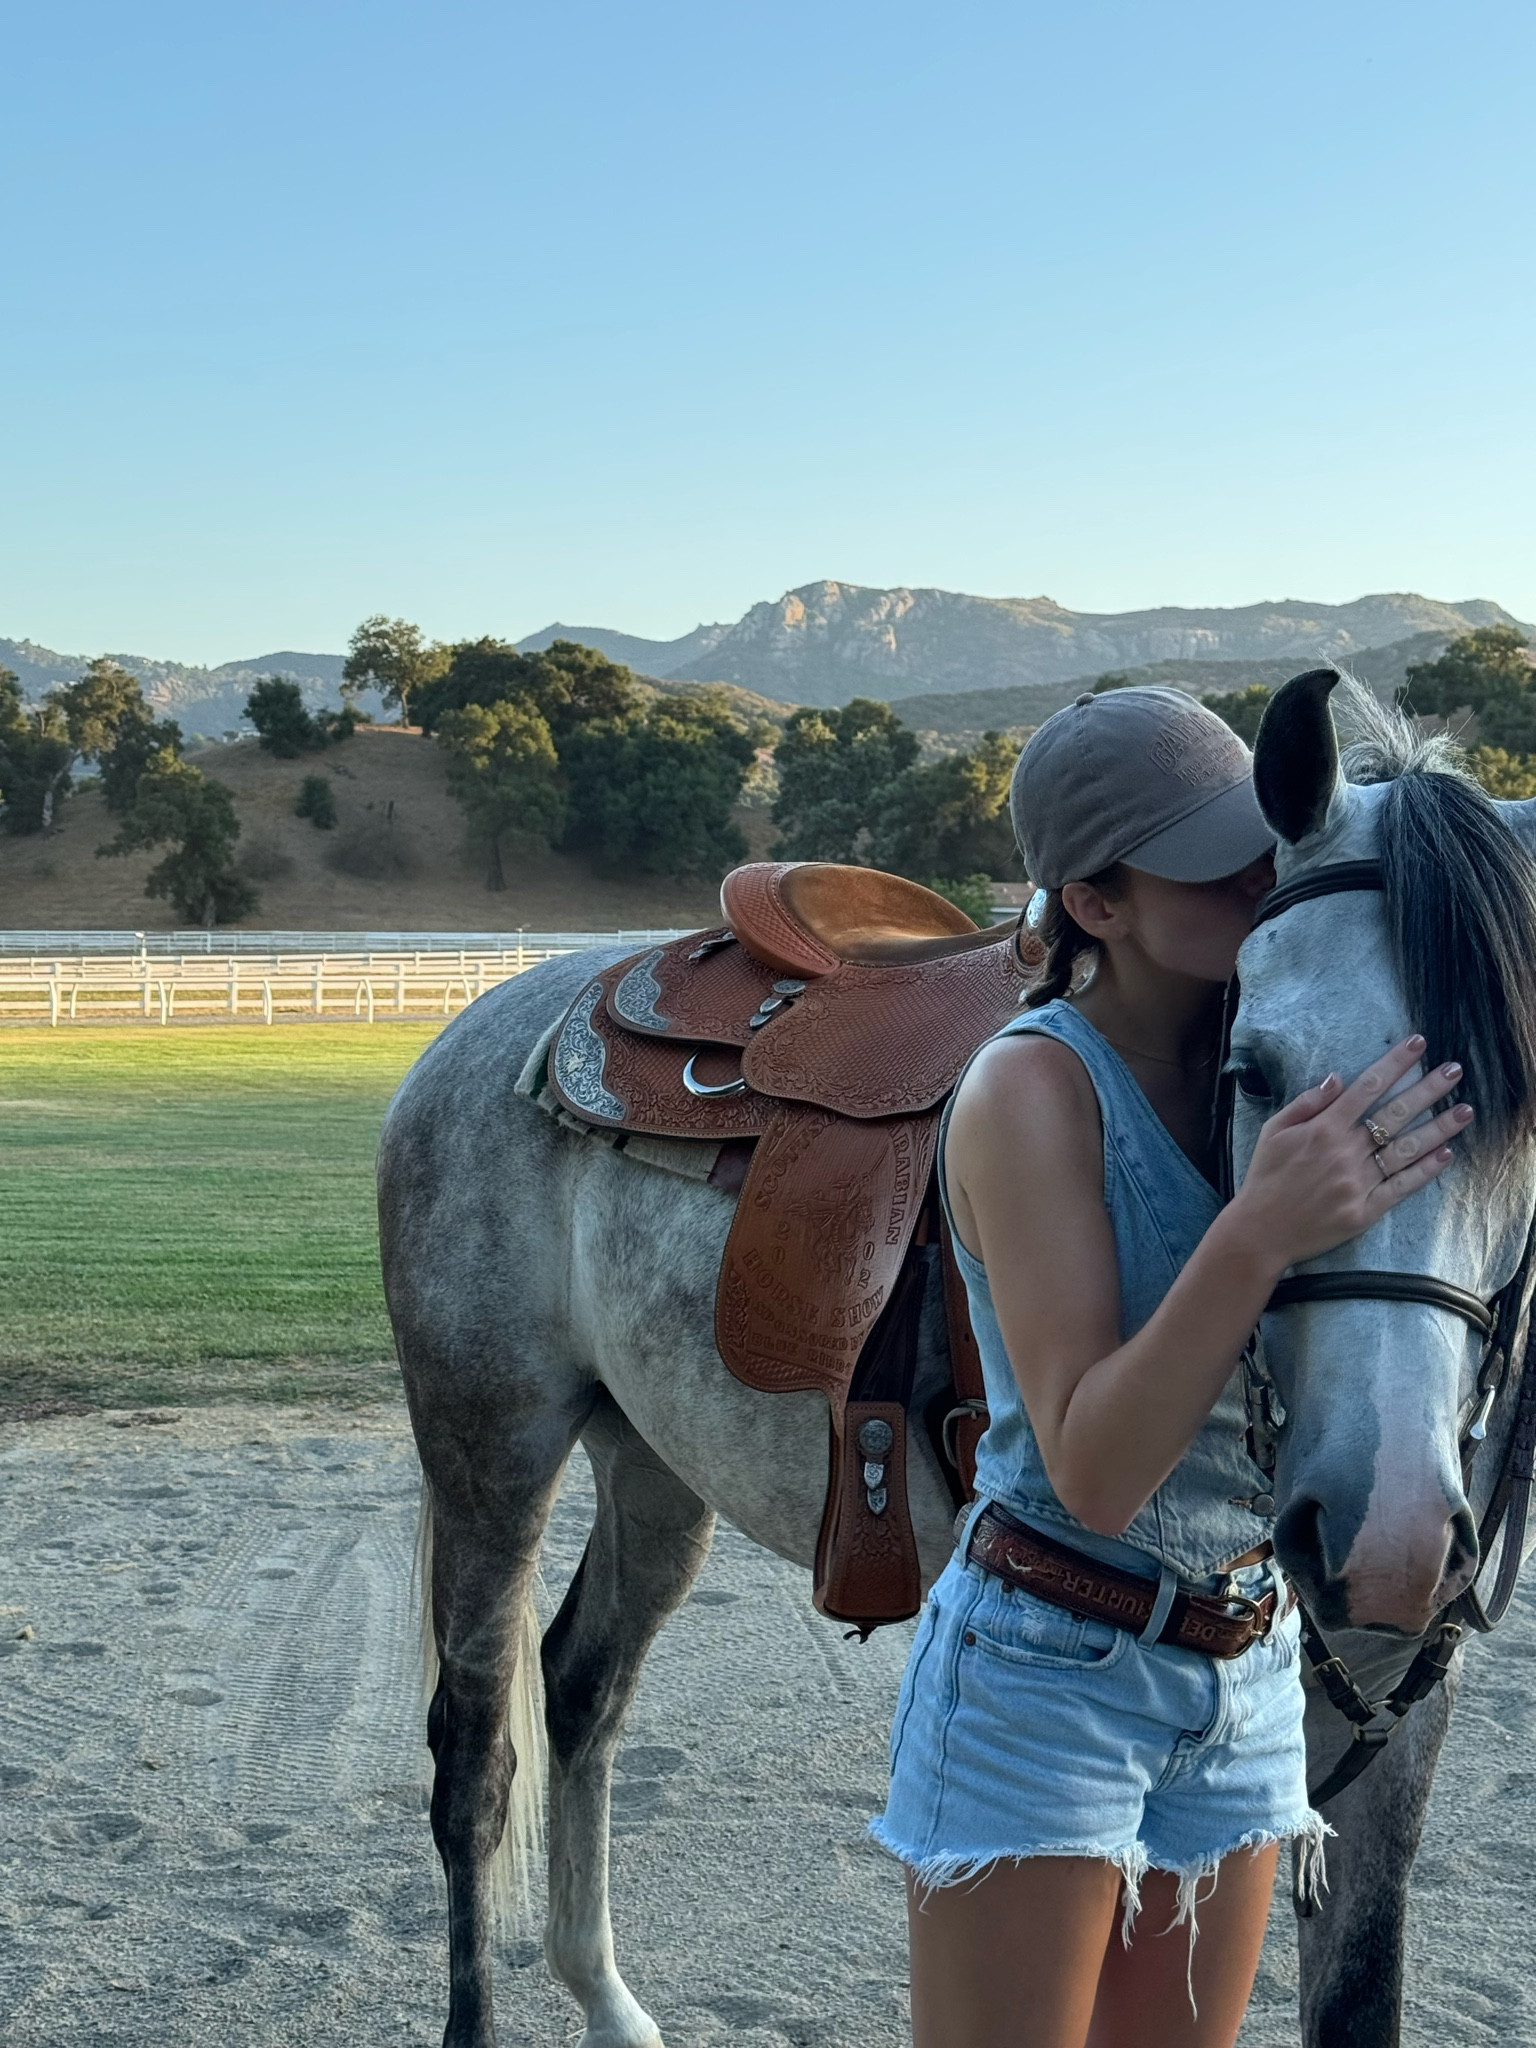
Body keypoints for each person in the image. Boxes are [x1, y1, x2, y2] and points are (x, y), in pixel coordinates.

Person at [870, 687, 1473, 2048]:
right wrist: (1258, 1230)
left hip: (1246, 1666)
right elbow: (1091, 1469)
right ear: (1096, 902)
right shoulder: (1031, 1090)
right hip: (1049, 1667)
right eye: (1216, 865)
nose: (1265, 876)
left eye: (1267, 843)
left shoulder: (1276, 1061)